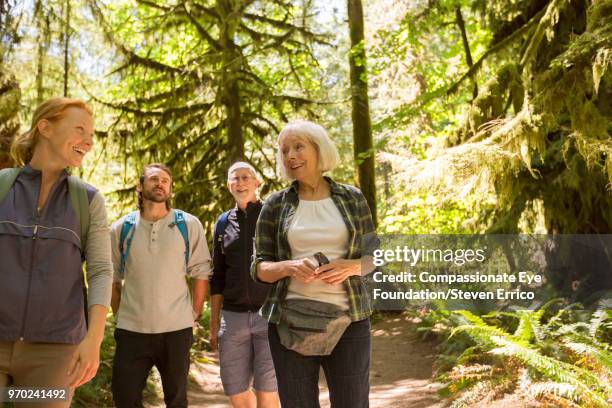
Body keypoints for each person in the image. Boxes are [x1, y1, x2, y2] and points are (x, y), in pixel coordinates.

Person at [252, 120, 378, 408]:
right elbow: (259, 268)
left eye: (298, 147)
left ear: (319, 150)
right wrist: (290, 267)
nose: (290, 156)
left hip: (350, 322)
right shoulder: (274, 205)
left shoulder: (352, 199)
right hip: (290, 323)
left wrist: (351, 266)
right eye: (284, 151)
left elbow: (374, 257)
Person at [0, 97, 113, 407]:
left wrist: (94, 340)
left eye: (91, 135)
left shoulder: (87, 200)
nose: (88, 141)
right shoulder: (2, 187)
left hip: (55, 352)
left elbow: (101, 270)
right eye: (80, 130)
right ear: (45, 127)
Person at [110, 163, 211, 408]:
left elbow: (201, 271)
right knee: (124, 397)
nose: (160, 184)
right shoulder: (121, 228)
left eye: (166, 180)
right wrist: (120, 314)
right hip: (132, 330)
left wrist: (194, 313)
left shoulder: (188, 224)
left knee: (177, 400)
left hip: (176, 330)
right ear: (140, 185)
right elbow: (111, 277)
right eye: (154, 179)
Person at [209, 162, 279, 408]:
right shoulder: (222, 223)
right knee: (236, 392)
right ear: (228, 185)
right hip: (233, 318)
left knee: (267, 391)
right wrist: (214, 322)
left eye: (245, 177)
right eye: (234, 179)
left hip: (269, 315)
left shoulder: (272, 215)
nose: (240, 182)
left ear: (256, 183)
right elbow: (217, 275)